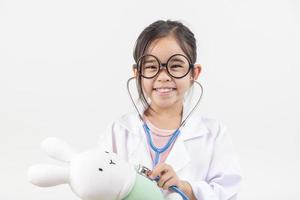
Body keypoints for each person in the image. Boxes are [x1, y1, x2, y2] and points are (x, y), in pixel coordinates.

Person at [98, 20, 242, 200]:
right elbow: (99, 182)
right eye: (151, 66)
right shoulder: (118, 132)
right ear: (137, 74)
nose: (164, 76)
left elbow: (228, 191)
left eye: (175, 66)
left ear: (193, 73)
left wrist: (185, 187)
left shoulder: (213, 134)